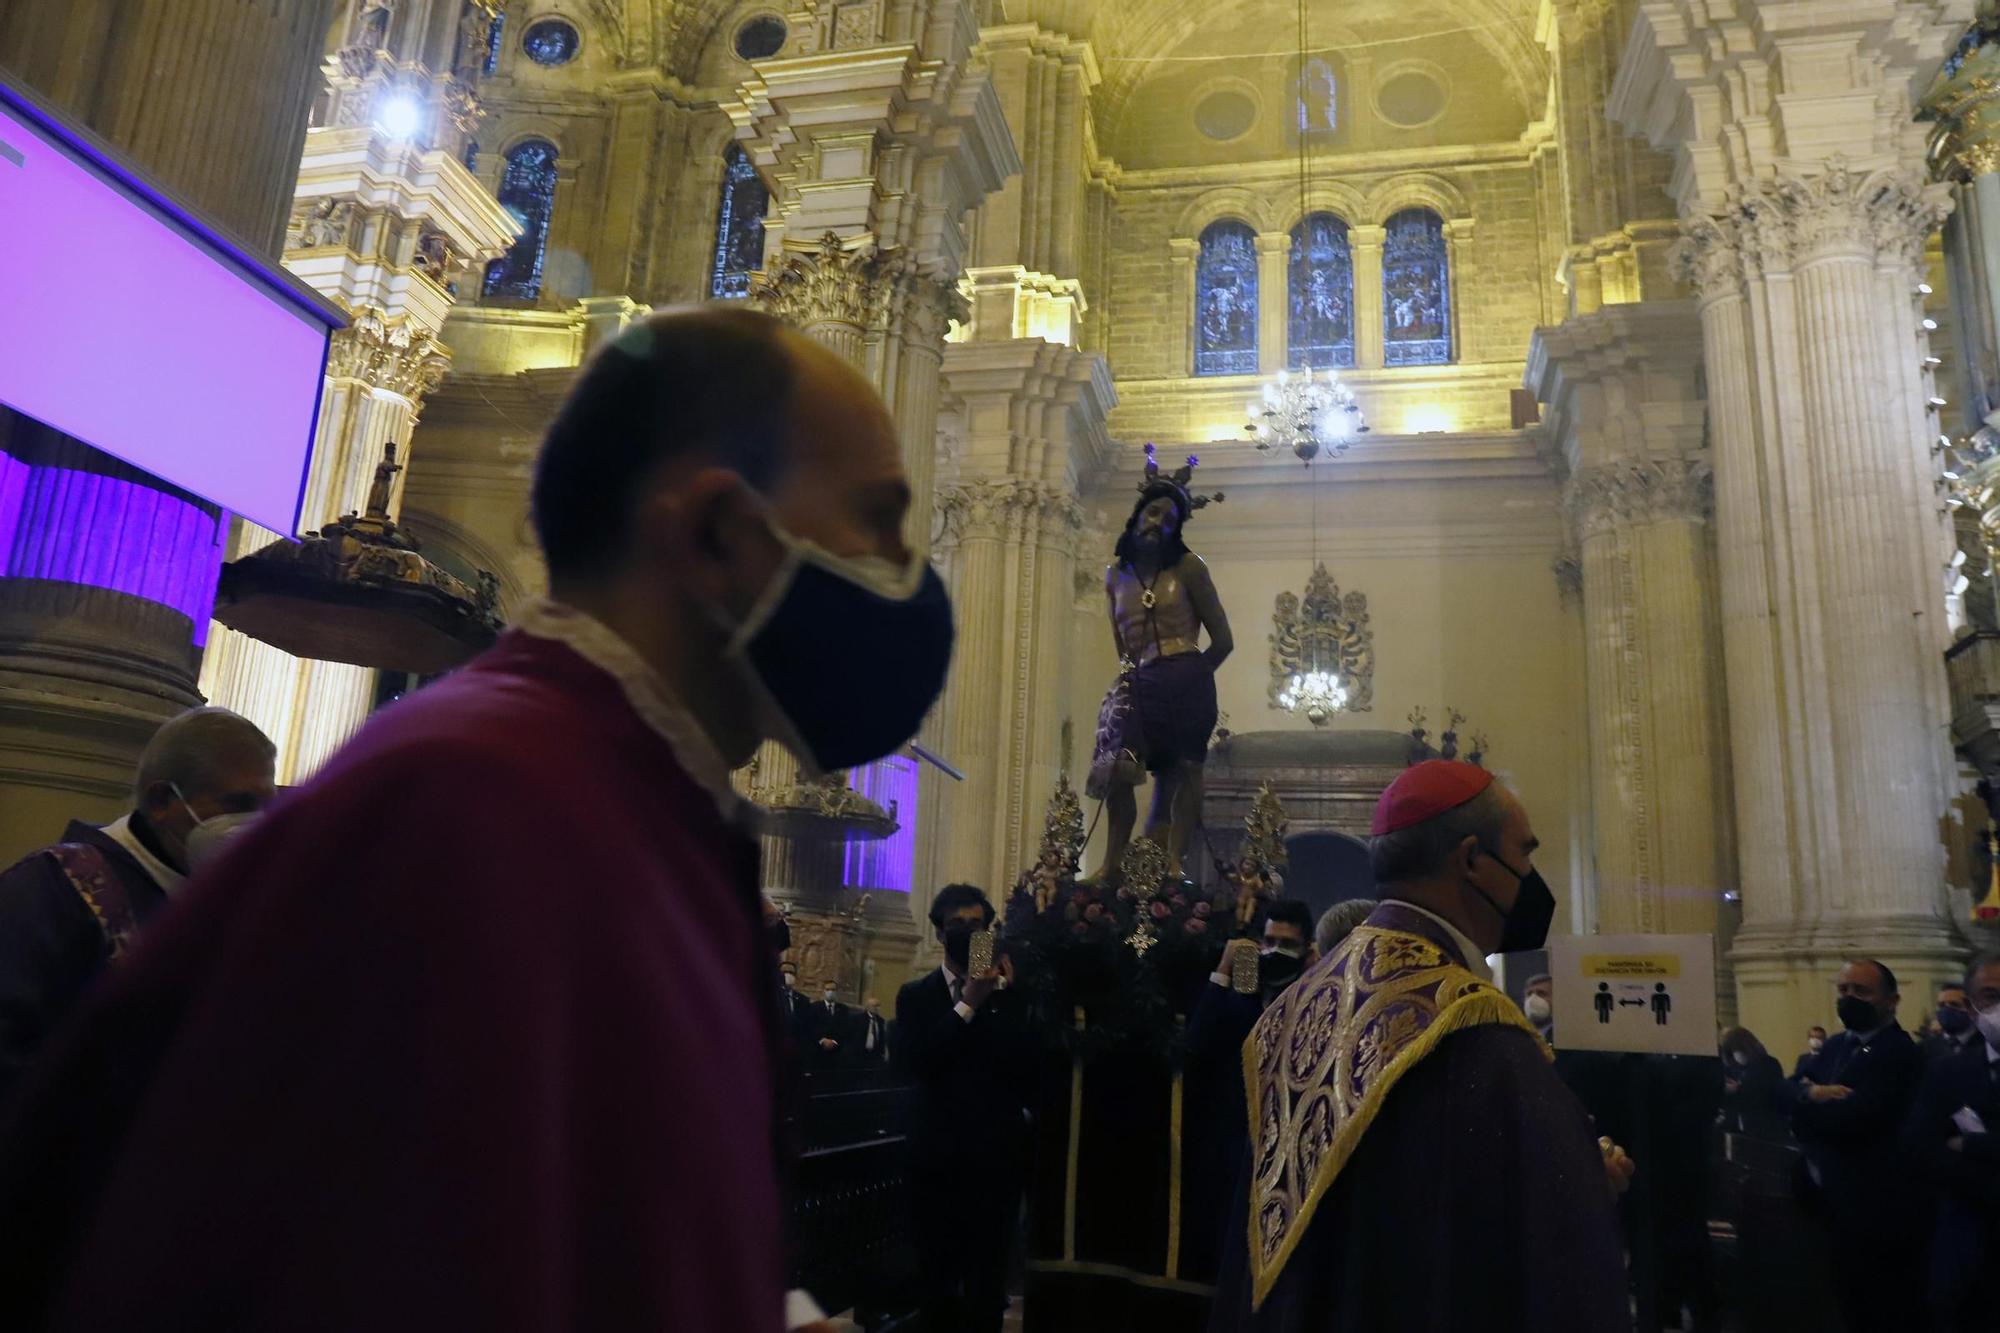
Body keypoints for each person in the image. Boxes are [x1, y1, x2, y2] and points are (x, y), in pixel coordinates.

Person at [0, 307, 953, 1333]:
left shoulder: (634, 799)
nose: (904, 569)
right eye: (880, 520)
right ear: (719, 532)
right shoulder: (479, 807)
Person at [1210, 760, 1631, 1331]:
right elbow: (1552, 1246)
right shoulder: (1476, 1036)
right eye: (1525, 855)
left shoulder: (1296, 1005)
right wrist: (1586, 1180)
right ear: (1472, 861)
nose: (1530, 876)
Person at [0, 707, 275, 1103]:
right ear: (162, 799)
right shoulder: (52, 890)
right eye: (238, 803)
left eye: (265, 807)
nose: (255, 824)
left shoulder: (230, 904)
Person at [1086, 448, 1231, 883]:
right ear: (1136, 515)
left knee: (1185, 767)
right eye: (1152, 513)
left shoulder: (1189, 568)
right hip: (1139, 679)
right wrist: (1134, 679)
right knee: (1117, 766)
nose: (1158, 523)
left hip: (1187, 672)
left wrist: (1195, 676)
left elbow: (1223, 640)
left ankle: (1172, 861)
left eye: (1169, 520)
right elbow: (1121, 644)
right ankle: (1111, 864)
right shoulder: (1115, 576)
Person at [896, 884, 1035, 1333]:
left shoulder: (1011, 998)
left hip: (994, 1165)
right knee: (935, 1283)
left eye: (976, 925)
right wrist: (967, 1003)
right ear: (939, 933)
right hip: (935, 1162)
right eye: (956, 925)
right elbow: (919, 1063)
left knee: (985, 1287)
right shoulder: (915, 996)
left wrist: (1006, 1000)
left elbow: (1023, 1072)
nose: (966, 932)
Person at [1783, 959, 1927, 1333]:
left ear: (1891, 1000)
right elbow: (1780, 1092)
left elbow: (1855, 1120)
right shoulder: (1834, 1046)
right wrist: (1810, 1094)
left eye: (1862, 991)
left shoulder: (1899, 1052)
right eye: (1844, 990)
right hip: (1827, 1203)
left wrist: (1803, 1107)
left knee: (1878, 1310)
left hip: (1874, 1208)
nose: (1849, 998)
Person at [1902, 953, 2000, 1333]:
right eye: (1990, 996)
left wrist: (1972, 1147)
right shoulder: (1948, 1070)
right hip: (1966, 1247)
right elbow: (1919, 1145)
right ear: (1973, 1007)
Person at [1719, 1027, 1786, 1140]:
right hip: (1741, 1128)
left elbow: (1764, 1091)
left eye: (1737, 1051)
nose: (1736, 1056)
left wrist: (1738, 1089)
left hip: (1767, 1128)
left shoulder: (1769, 1064)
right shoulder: (1735, 1067)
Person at [1925, 981, 1978, 1064]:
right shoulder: (1925, 1048)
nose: (1947, 1010)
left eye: (1954, 1004)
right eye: (1941, 1005)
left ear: (1972, 1008)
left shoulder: (1990, 1045)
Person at [807, 982, 847, 1071]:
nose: (830, 992)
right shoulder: (814, 1007)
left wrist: (834, 1041)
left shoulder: (843, 1009)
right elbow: (811, 1026)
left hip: (836, 1051)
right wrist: (822, 1040)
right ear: (823, 991)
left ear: (837, 992)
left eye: (833, 990)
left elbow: (845, 1028)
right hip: (818, 1049)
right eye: (828, 989)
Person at [850, 995, 891, 1069]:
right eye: (874, 1006)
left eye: (878, 1006)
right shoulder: (858, 1018)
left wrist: (882, 1053)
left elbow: (881, 1037)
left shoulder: (880, 1021)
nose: (877, 1008)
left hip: (875, 1055)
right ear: (868, 1007)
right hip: (859, 1054)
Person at [1523, 971, 1554, 1045]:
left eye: (1541, 993)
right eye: (1529, 994)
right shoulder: (1517, 1034)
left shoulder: (1563, 1036)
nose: (1533, 999)